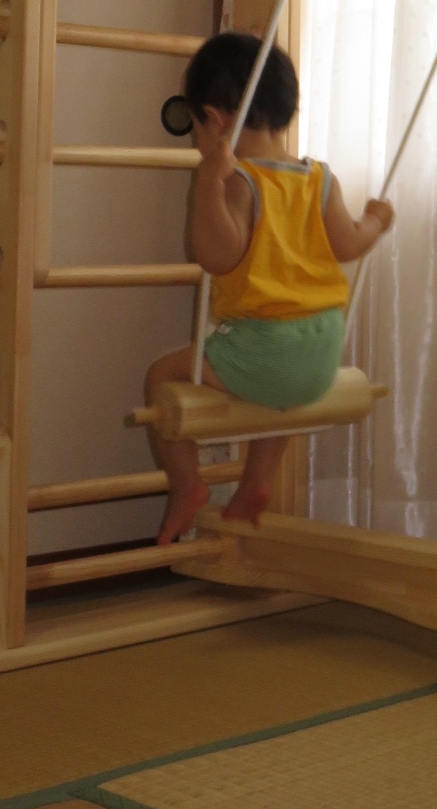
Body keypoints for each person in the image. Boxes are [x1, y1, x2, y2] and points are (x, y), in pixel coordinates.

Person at [144, 31, 392, 543]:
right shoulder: (320, 179)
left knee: (161, 374)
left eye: (195, 126)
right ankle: (257, 480)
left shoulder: (240, 182)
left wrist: (209, 185)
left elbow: (217, 256)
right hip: (321, 353)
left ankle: (187, 485)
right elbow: (349, 244)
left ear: (215, 120)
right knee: (280, 393)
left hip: (265, 352)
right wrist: (376, 221)